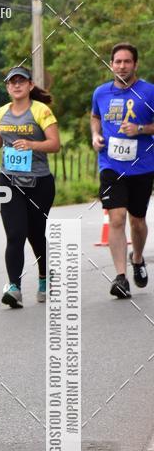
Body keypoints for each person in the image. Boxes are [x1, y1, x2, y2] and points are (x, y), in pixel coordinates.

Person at [0, 66, 60, 308]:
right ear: (7, 87)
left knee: (36, 234)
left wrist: (31, 144)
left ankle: (45, 278)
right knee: (15, 235)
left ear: (30, 86)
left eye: (21, 81)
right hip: (9, 181)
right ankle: (14, 287)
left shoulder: (41, 111)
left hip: (39, 182)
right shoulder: (2, 112)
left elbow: (55, 144)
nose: (16, 85)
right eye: (12, 82)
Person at [91, 43, 154, 299]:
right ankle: (120, 277)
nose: (122, 66)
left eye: (127, 62)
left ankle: (137, 258)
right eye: (117, 62)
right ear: (111, 64)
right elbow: (95, 116)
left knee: (137, 221)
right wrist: (95, 135)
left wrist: (140, 130)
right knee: (116, 218)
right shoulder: (101, 93)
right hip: (110, 165)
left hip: (142, 167)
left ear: (135, 64)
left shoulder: (149, 92)